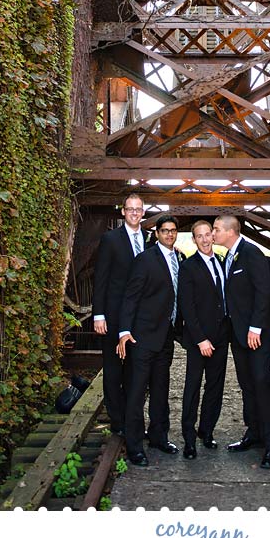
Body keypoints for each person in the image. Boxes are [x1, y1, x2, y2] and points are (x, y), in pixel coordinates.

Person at [211, 215, 270, 469]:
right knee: (247, 384)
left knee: (261, 384)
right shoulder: (228, 256)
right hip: (239, 334)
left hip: (256, 334)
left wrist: (256, 328)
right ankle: (254, 433)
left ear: (231, 231)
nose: (214, 233)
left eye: (217, 229)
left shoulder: (251, 254)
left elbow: (264, 292)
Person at [117, 214, 182, 466]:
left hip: (166, 336)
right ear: (156, 234)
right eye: (164, 230)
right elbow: (130, 296)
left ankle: (159, 437)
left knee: (160, 390)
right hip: (142, 338)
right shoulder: (144, 260)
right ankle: (134, 446)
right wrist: (124, 331)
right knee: (136, 393)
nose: (169, 234)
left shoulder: (179, 258)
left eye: (173, 230)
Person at [92, 194, 151, 435]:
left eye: (138, 209)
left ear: (143, 212)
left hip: (140, 317)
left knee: (135, 371)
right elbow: (101, 279)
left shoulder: (149, 239)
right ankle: (117, 422)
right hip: (115, 316)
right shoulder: (110, 239)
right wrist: (99, 315)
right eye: (130, 209)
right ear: (123, 212)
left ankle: (133, 418)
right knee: (114, 368)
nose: (135, 213)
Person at [178, 220, 230, 459]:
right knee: (193, 387)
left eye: (208, 234)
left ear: (213, 235)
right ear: (194, 239)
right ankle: (189, 439)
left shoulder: (221, 261)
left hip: (220, 338)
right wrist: (200, 339)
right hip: (199, 340)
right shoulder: (188, 267)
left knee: (215, 387)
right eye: (199, 236)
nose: (205, 239)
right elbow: (187, 307)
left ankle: (206, 431)